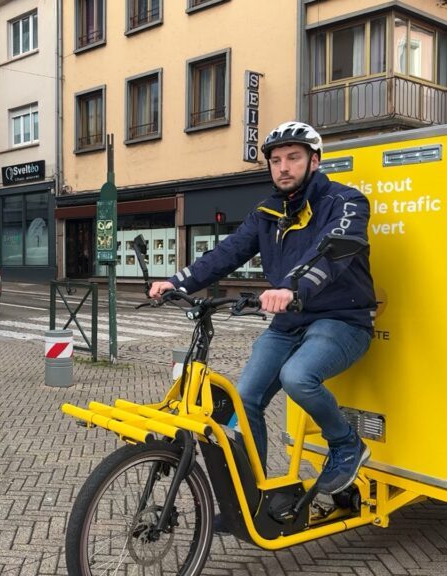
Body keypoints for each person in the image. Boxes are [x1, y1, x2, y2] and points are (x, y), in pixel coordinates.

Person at [148, 121, 377, 496]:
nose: (283, 167)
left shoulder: (347, 202)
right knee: (247, 398)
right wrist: (179, 281)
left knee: (297, 377)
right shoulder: (267, 212)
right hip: (289, 323)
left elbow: (335, 248)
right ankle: (253, 494)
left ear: (314, 161)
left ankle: (346, 444)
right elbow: (228, 252)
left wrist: (291, 286)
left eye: (293, 158)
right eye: (275, 160)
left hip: (343, 319)